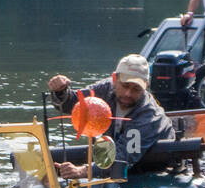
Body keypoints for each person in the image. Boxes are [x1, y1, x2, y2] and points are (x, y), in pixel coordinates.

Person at [45, 54, 175, 179]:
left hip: (147, 167)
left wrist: (82, 171)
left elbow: (123, 157)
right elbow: (73, 104)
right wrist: (60, 91)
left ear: (146, 86)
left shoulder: (149, 116)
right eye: (125, 86)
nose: (128, 93)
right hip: (111, 150)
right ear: (114, 79)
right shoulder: (105, 89)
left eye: (136, 89)